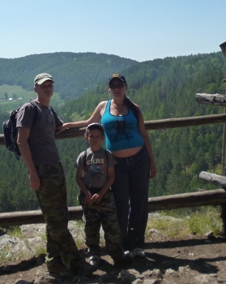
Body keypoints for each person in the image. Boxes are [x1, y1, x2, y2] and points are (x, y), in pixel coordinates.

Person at [62, 73, 157, 258]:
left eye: (119, 85)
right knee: (121, 203)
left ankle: (137, 243)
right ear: (109, 89)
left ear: (125, 87)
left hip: (139, 160)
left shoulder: (134, 108)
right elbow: (89, 123)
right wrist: (69, 125)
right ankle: (122, 244)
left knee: (139, 202)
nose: (116, 88)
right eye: (113, 86)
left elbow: (144, 134)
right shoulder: (103, 107)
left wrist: (152, 162)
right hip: (116, 163)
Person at [16, 72, 95, 276]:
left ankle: (54, 262)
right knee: (56, 220)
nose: (47, 88)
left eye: (50, 85)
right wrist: (33, 173)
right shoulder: (29, 109)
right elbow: (21, 141)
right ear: (35, 88)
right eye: (43, 85)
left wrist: (91, 125)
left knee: (58, 217)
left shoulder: (49, 111)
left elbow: (63, 127)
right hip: (42, 170)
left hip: (55, 168)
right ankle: (76, 264)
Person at [75, 122, 128, 267]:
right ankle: (93, 253)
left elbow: (112, 176)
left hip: (105, 195)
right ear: (86, 137)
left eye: (98, 136)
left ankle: (116, 254)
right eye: (91, 136)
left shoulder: (107, 155)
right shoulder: (83, 156)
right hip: (88, 196)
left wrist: (102, 193)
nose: (95, 139)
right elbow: (78, 177)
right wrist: (87, 194)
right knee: (90, 226)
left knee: (111, 226)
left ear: (103, 138)